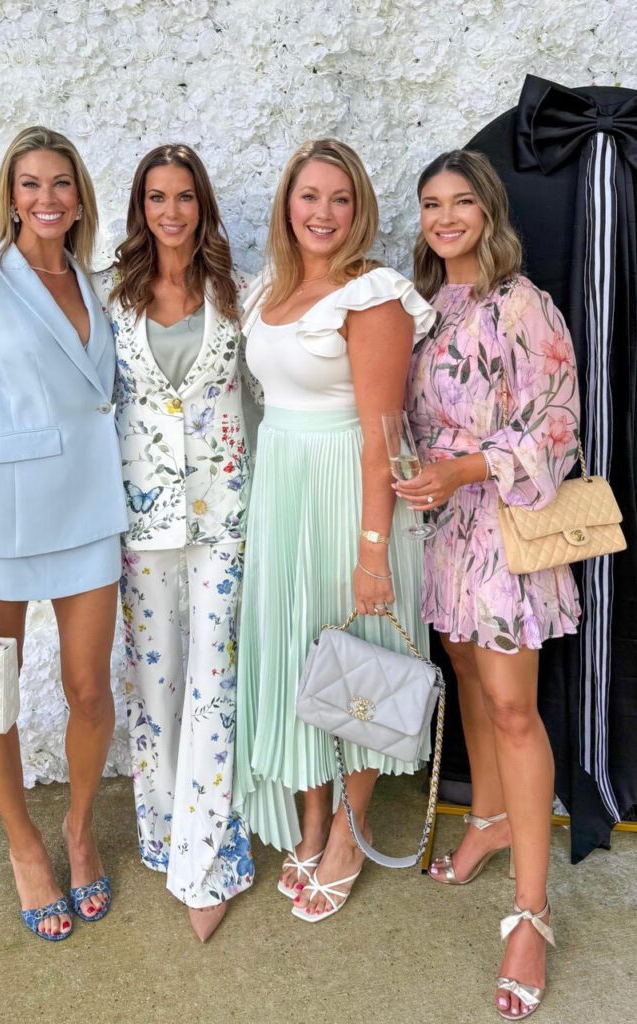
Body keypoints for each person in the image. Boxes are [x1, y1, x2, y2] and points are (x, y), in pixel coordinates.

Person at [396, 149, 580, 1020]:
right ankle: (490, 820)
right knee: (467, 677)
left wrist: (465, 467)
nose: (444, 217)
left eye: (460, 201)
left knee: (513, 707)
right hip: (440, 534)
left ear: (488, 211)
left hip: (505, 534)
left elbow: (559, 428)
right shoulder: (423, 308)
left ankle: (532, 917)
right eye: (431, 204)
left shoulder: (524, 304)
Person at [0, 126, 128, 941]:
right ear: (10, 197)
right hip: (5, 518)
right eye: (29, 184)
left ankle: (79, 830)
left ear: (80, 197)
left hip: (92, 509)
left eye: (60, 184)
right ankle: (24, 847)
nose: (46, 198)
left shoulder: (99, 283)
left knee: (89, 688)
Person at [233, 139, 435, 923]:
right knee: (296, 657)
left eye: (340, 199)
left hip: (351, 496)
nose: (323, 213)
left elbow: (384, 435)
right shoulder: (265, 292)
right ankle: (311, 820)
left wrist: (373, 551)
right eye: (310, 196)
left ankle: (349, 833)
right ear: (288, 203)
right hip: (282, 489)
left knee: (357, 662)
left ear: (360, 211)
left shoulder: (374, 294)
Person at [93, 144, 256, 942]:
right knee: (155, 690)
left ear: (203, 205)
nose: (171, 211)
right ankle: (162, 835)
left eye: (184, 196)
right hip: (141, 523)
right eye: (156, 197)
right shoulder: (108, 299)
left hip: (223, 516)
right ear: (140, 208)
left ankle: (210, 859)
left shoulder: (242, 295)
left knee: (213, 682)